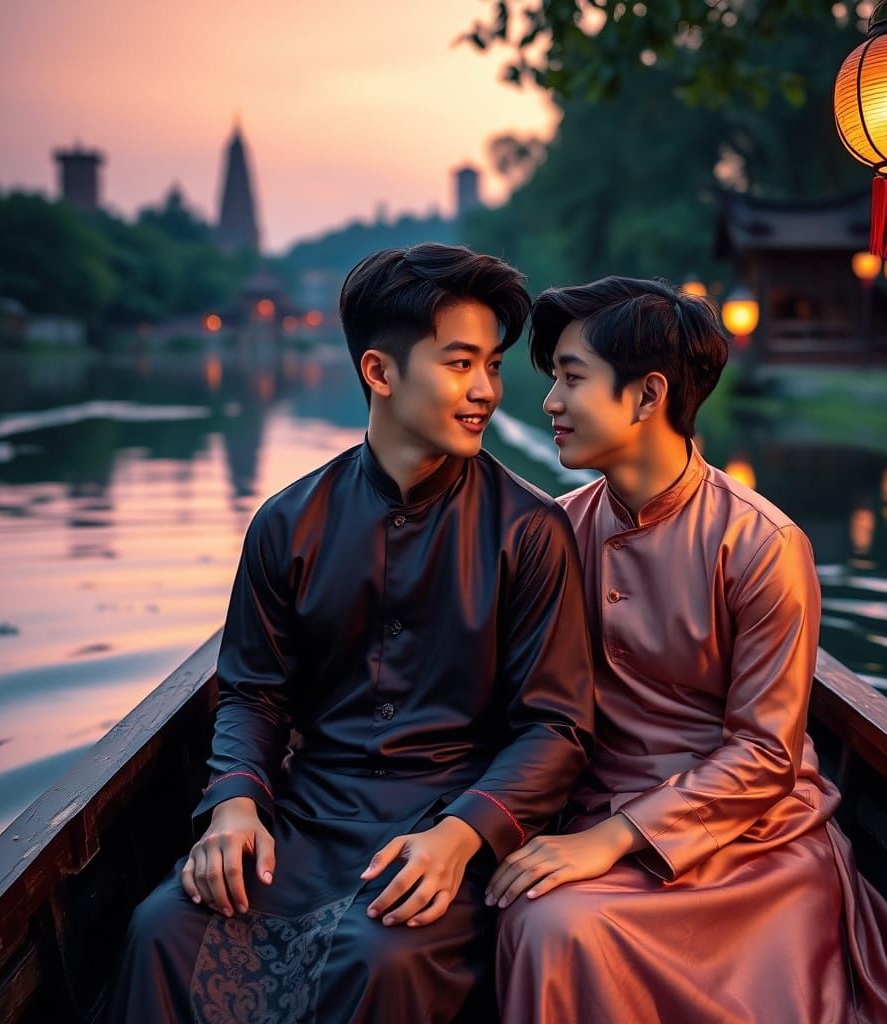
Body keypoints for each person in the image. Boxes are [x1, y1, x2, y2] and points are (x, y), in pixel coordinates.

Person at [104, 243, 594, 1024]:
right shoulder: (288, 523)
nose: (486, 392)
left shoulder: (530, 531)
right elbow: (254, 694)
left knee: (378, 957)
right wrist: (233, 803)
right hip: (305, 814)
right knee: (161, 929)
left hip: (446, 823)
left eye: (494, 366)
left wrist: (466, 835)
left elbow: (556, 728)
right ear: (379, 371)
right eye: (460, 364)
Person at [490, 276, 887, 1023]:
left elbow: (767, 756)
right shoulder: (557, 530)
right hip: (588, 816)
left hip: (749, 842)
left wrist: (615, 839)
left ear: (647, 397)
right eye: (552, 380)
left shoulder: (761, 543)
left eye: (570, 379)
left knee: (554, 924)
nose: (549, 402)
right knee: (527, 912)